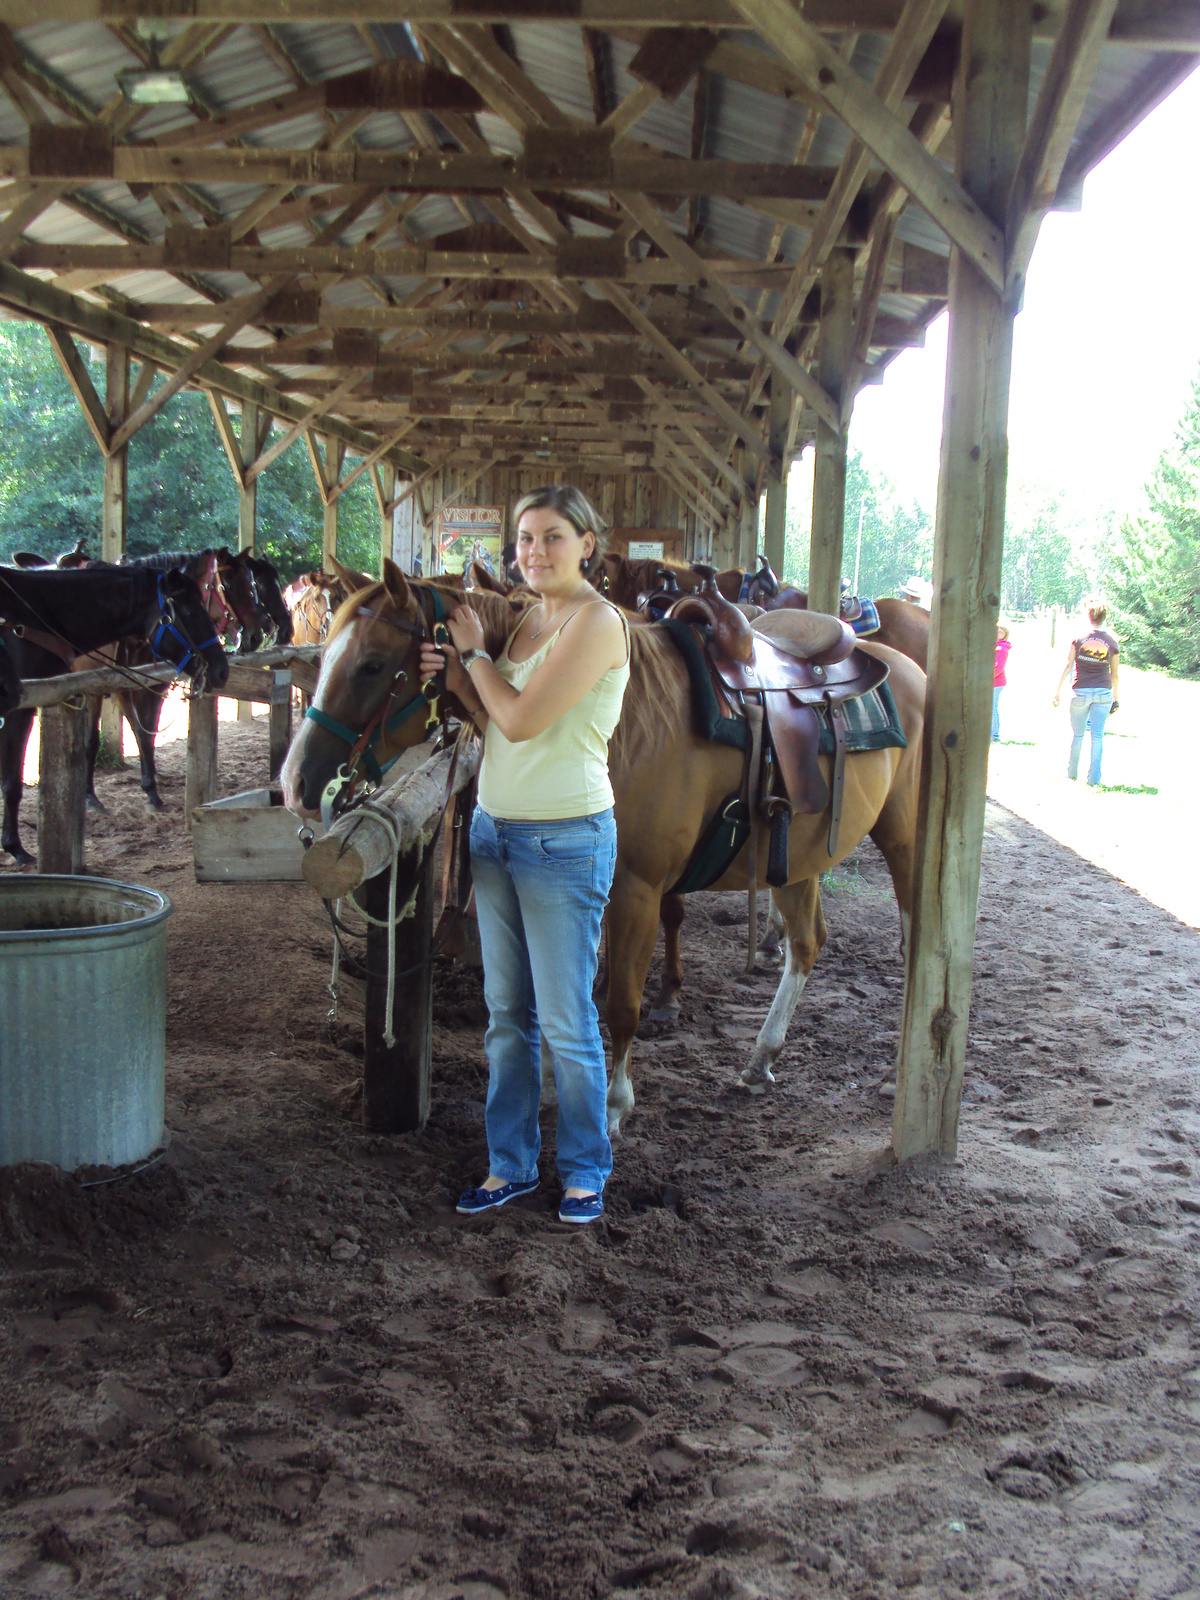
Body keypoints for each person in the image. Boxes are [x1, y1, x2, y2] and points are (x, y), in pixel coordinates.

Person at [419, 486, 630, 1226]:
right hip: (495, 831)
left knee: (568, 1018)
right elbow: (491, 724)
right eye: (525, 538)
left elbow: (522, 715)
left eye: (552, 536)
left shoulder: (595, 622)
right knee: (507, 1014)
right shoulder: (531, 619)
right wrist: (452, 671)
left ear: (587, 544)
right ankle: (508, 1163)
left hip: (563, 838)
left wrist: (475, 655)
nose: (534, 551)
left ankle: (583, 1169)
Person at [1053, 602, 1120, 786]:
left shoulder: (1078, 639)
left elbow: (1069, 665)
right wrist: (1116, 697)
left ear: (1089, 617)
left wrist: (1057, 690)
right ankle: (1094, 779)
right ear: (1104, 617)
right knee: (1097, 735)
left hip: (1081, 691)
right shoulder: (1112, 642)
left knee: (1078, 735)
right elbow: (1115, 674)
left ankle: (1071, 774)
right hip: (1103, 692)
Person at [992, 623, 1011, 743]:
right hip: (992, 682)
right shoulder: (994, 646)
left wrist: (988, 678)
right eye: (997, 631)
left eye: (1001, 632)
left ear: (1005, 635)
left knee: (992, 707)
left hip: (996, 682)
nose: (998, 633)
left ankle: (995, 734)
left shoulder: (1002, 649)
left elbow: (998, 667)